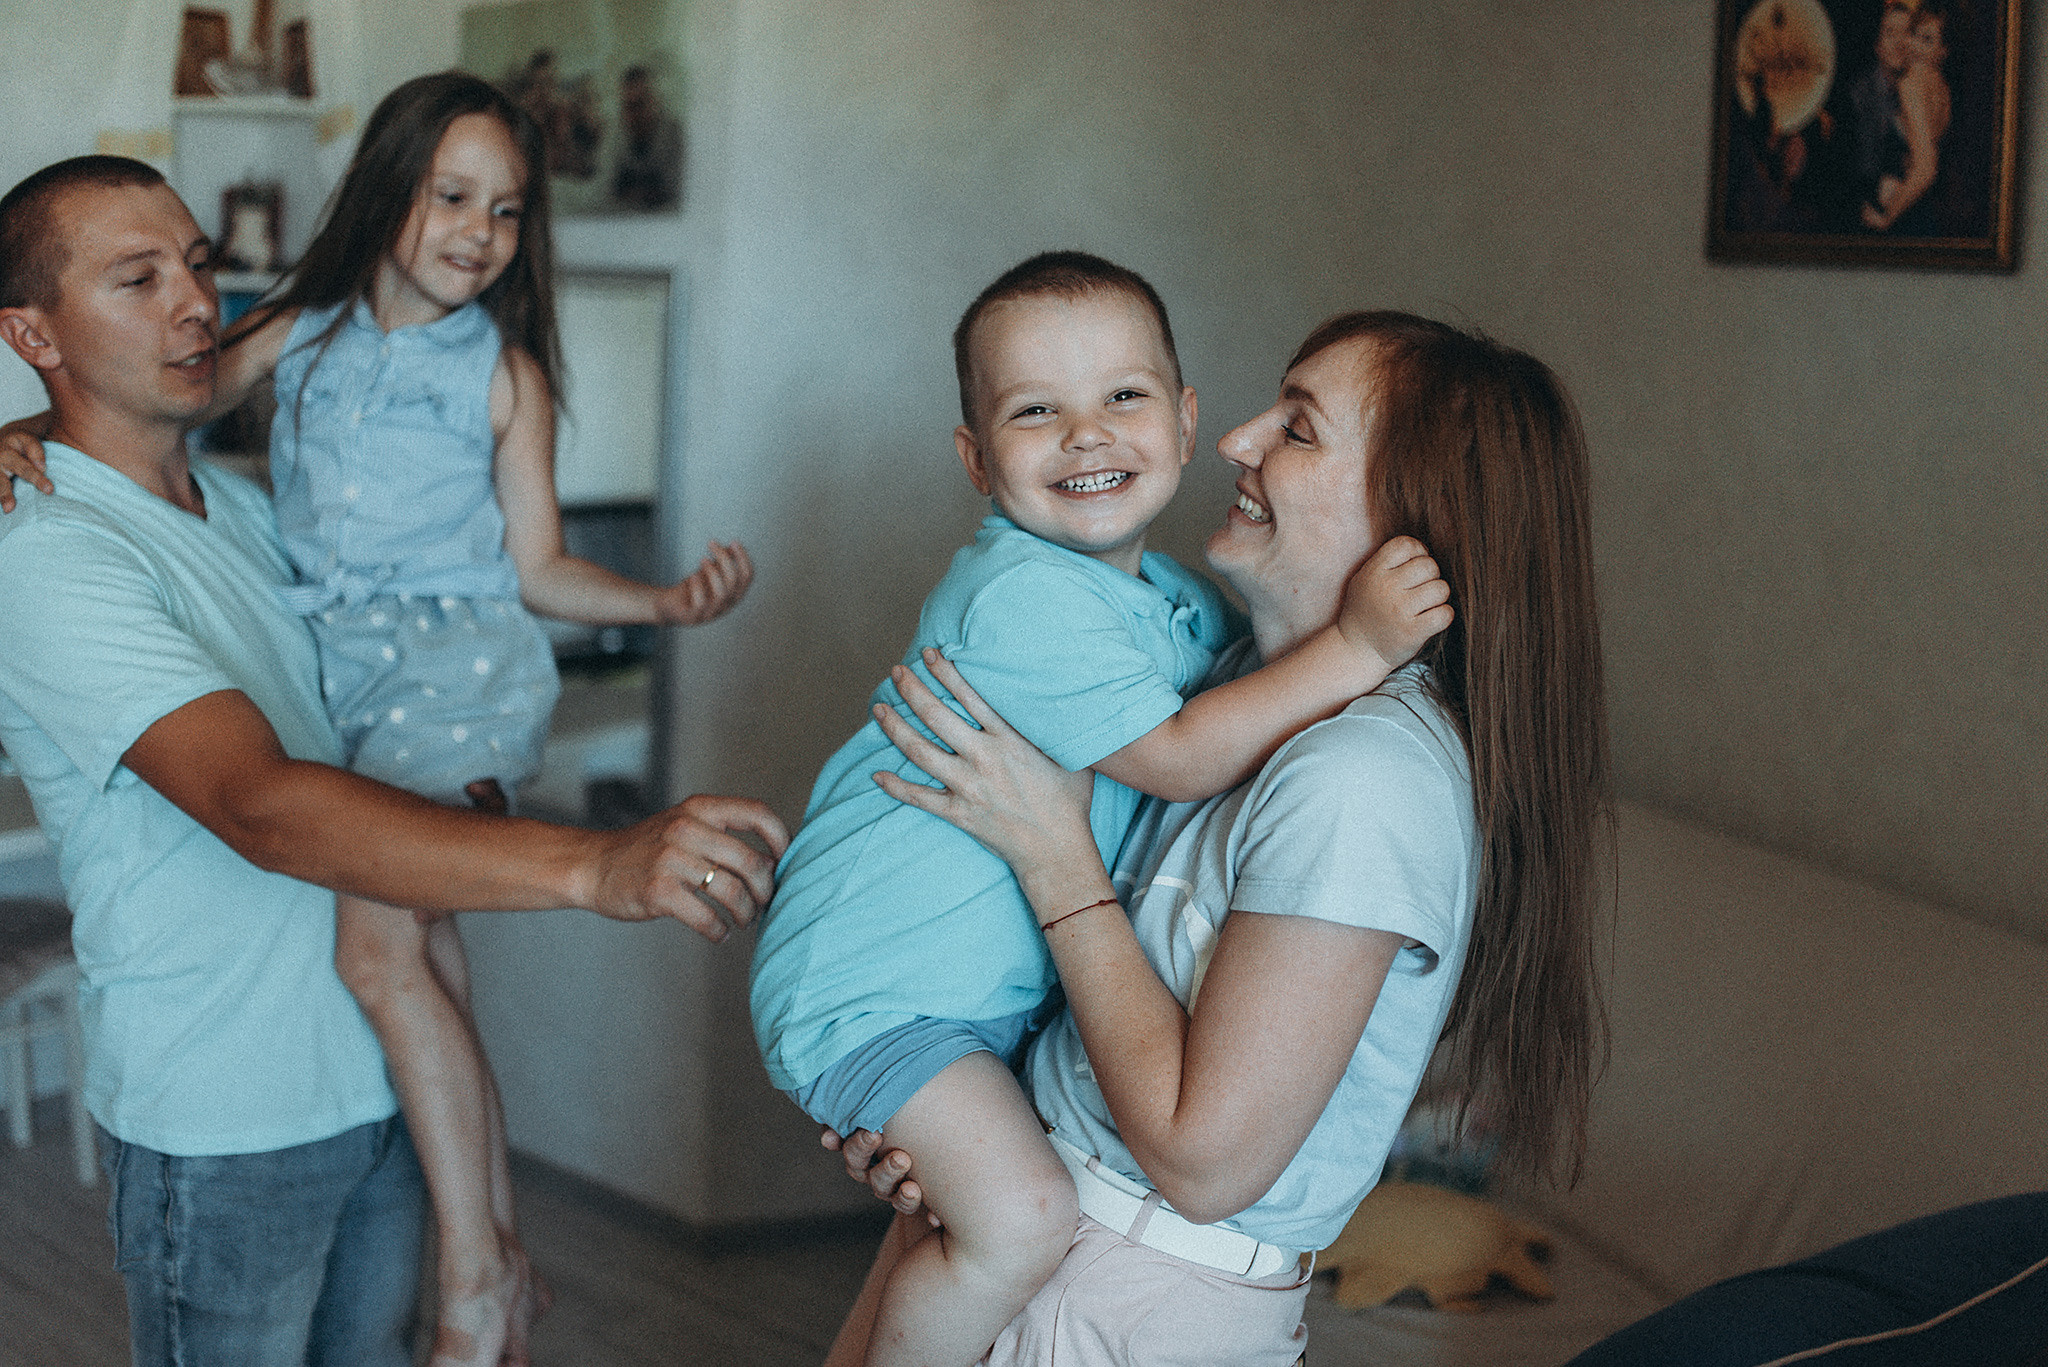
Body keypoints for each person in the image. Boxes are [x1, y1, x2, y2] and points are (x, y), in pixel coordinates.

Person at [0, 152, 786, 1367]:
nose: (196, 305)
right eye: (137, 278)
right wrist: (594, 866)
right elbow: (260, 805)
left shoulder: (262, 512)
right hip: (224, 1124)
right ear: (31, 333)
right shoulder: (40, 551)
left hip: (382, 1085)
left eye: (200, 266)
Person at [828, 310, 1610, 1365]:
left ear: (1417, 509)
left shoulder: (1364, 778)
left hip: (1124, 1301)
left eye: (1296, 426)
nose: (1237, 441)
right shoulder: (1236, 689)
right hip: (1024, 1231)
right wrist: (939, 1122)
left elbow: (1204, 1161)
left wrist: (1052, 854)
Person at [750, 254, 1450, 1367]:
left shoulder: (1224, 655)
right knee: (1014, 1214)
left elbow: (1204, 1144)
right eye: (1036, 411)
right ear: (976, 460)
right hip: (883, 987)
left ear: (1175, 421)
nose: (1086, 434)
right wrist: (1352, 646)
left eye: (1122, 396)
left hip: (1063, 1176)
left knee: (1010, 1214)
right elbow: (1175, 760)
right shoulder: (1022, 594)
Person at [1862, 1, 1954, 233]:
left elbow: (1925, 167)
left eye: (1927, 40)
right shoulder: (1942, 88)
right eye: (1914, 34)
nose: (1913, 45)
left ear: (1943, 52)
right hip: (1926, 213)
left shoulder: (1912, 83)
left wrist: (1888, 217)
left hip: (1907, 217)